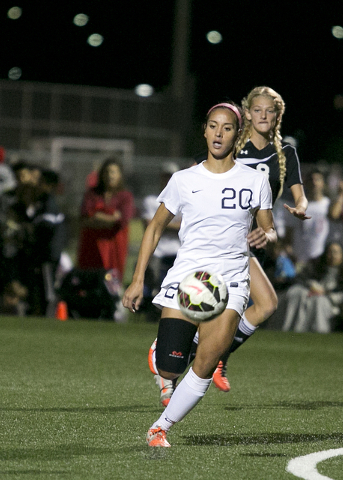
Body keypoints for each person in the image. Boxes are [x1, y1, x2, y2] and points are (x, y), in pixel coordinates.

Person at [123, 102, 277, 447]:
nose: (218, 133)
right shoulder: (184, 179)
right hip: (189, 278)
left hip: (232, 280)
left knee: (207, 363)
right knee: (169, 367)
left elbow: (270, 229)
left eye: (226, 128)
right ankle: (166, 351)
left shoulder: (255, 180)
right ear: (205, 131)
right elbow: (154, 228)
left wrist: (266, 235)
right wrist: (136, 279)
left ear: (237, 136)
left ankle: (159, 428)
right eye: (212, 126)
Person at [149, 86, 310, 402]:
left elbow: (298, 193)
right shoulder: (234, 145)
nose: (263, 116)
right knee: (258, 304)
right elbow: (201, 174)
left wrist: (301, 206)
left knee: (261, 307)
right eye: (258, 110)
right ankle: (184, 355)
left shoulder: (285, 153)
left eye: (270, 111)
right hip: (227, 242)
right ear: (248, 113)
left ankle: (205, 354)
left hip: (255, 240)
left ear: (278, 116)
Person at [77, 157, 135, 281]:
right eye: (107, 172)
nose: (110, 175)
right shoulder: (92, 194)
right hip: (92, 247)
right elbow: (84, 217)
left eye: (113, 172)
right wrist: (111, 218)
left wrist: (98, 216)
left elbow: (122, 221)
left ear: (120, 175)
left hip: (114, 247)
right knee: (88, 282)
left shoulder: (125, 196)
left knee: (111, 283)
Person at [140, 162, 181, 319]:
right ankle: (151, 307)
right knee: (154, 277)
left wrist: (160, 223)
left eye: (171, 176)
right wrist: (172, 225)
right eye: (166, 176)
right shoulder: (151, 200)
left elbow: (185, 226)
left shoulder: (183, 200)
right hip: (157, 250)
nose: (168, 179)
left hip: (177, 249)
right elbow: (148, 226)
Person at [281, 242, 343, 333]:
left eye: (336, 252)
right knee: (296, 292)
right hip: (311, 296)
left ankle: (320, 332)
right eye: (330, 252)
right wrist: (312, 286)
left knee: (319, 301)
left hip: (332, 303)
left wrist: (326, 293)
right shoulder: (316, 267)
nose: (332, 255)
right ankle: (290, 329)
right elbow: (301, 279)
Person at [282, 168, 330, 270]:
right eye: (311, 180)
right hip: (298, 260)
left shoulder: (328, 206)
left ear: (323, 183)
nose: (314, 183)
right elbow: (289, 232)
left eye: (318, 179)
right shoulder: (297, 205)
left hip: (320, 260)